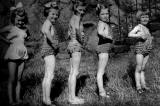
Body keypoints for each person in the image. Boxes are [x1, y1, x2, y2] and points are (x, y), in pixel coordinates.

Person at [0, 2, 29, 105]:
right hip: (13, 54)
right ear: (14, 18)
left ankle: (18, 99)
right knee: (12, 78)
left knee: (19, 79)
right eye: (18, 20)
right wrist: (6, 41)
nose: (20, 22)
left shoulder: (25, 29)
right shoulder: (11, 27)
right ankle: (11, 100)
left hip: (22, 55)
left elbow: (24, 38)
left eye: (22, 20)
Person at [128, 10, 153, 94]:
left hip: (147, 50)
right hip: (140, 49)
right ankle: (138, 87)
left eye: (146, 17)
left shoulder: (147, 28)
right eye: (143, 17)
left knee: (143, 68)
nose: (145, 19)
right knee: (139, 68)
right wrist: (139, 35)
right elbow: (130, 34)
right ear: (139, 18)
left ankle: (143, 85)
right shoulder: (139, 27)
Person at [67, 0, 86, 104]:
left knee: (71, 72)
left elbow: (68, 33)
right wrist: (81, 37)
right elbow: (77, 29)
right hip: (76, 44)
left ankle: (71, 97)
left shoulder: (72, 18)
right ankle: (73, 98)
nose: (82, 12)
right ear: (75, 8)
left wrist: (74, 36)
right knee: (75, 72)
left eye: (83, 10)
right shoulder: (77, 18)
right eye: (80, 9)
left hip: (71, 44)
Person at [41, 2, 60, 106]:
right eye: (52, 14)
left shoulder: (48, 23)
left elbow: (44, 30)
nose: (55, 16)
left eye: (56, 14)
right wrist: (53, 42)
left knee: (47, 75)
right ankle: (48, 100)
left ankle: (45, 99)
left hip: (47, 50)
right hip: (49, 50)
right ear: (47, 13)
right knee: (50, 75)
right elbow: (44, 30)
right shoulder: (47, 23)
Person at [95, 4, 113, 98]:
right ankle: (101, 93)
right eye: (103, 14)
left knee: (101, 71)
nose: (105, 16)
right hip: (102, 49)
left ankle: (102, 91)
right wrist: (109, 37)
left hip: (104, 49)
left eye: (107, 13)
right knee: (101, 72)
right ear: (98, 15)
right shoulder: (101, 23)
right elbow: (100, 32)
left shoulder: (104, 23)